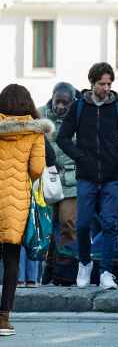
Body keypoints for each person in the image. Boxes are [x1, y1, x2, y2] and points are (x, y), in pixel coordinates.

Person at [57, 62, 118, 290]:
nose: (106, 87)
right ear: (92, 83)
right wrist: (80, 157)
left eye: (109, 83)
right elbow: (63, 138)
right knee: (82, 225)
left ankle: (107, 273)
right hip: (87, 176)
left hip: (112, 175)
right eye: (102, 83)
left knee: (111, 224)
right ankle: (84, 263)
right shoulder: (79, 107)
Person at [0, 84, 50, 336]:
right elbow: (37, 169)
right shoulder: (35, 131)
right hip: (16, 201)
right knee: (11, 260)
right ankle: (4, 319)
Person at [38, 82, 78, 269]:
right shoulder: (40, 115)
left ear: (72, 102)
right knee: (45, 224)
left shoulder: (79, 117)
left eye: (65, 103)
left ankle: (65, 266)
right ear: (52, 98)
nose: (60, 106)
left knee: (68, 223)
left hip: (71, 180)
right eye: (57, 102)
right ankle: (48, 265)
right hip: (47, 178)